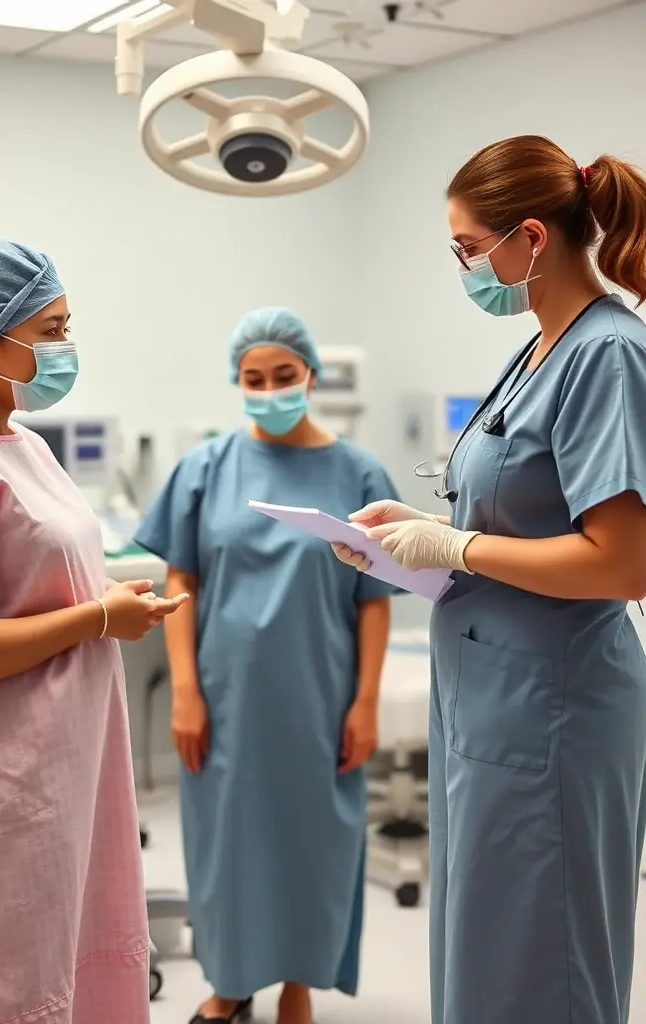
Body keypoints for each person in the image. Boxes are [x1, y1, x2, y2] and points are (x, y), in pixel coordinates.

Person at [333, 135, 646, 1024]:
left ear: (532, 240)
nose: (464, 266)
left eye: (469, 247)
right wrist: (420, 534)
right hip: (491, 694)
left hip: (556, 704)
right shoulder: (539, 349)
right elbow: (521, 514)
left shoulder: (606, 354)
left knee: (543, 961)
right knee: (488, 949)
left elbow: (624, 561)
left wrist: (458, 550)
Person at [0, 238, 189, 1024]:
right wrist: (98, 616)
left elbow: (30, 582)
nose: (64, 347)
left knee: (59, 971)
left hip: (56, 772)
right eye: (51, 330)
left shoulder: (26, 447)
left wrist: (103, 595)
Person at [135, 308, 400, 1024]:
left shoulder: (358, 473)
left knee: (315, 847)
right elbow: (179, 583)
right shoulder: (205, 469)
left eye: (284, 375)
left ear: (309, 374)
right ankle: (228, 985)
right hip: (226, 700)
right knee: (229, 851)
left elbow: (374, 599)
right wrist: (185, 692)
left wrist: (367, 702)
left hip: (321, 696)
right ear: (237, 382)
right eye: (254, 379)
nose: (270, 389)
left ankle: (297, 988)